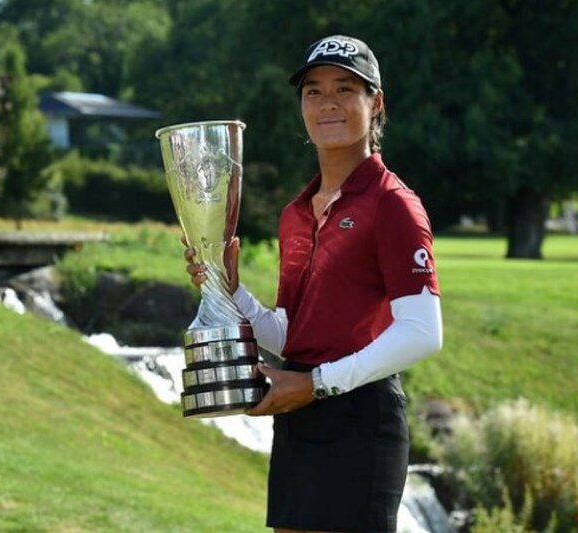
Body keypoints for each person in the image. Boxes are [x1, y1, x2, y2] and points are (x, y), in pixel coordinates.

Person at [184, 35, 443, 533]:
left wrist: (316, 385)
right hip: (300, 415)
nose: (327, 103)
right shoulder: (295, 213)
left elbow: (423, 331)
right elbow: (297, 336)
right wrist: (231, 293)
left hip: (359, 419)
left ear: (376, 103)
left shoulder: (392, 204)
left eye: (345, 89)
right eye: (313, 91)